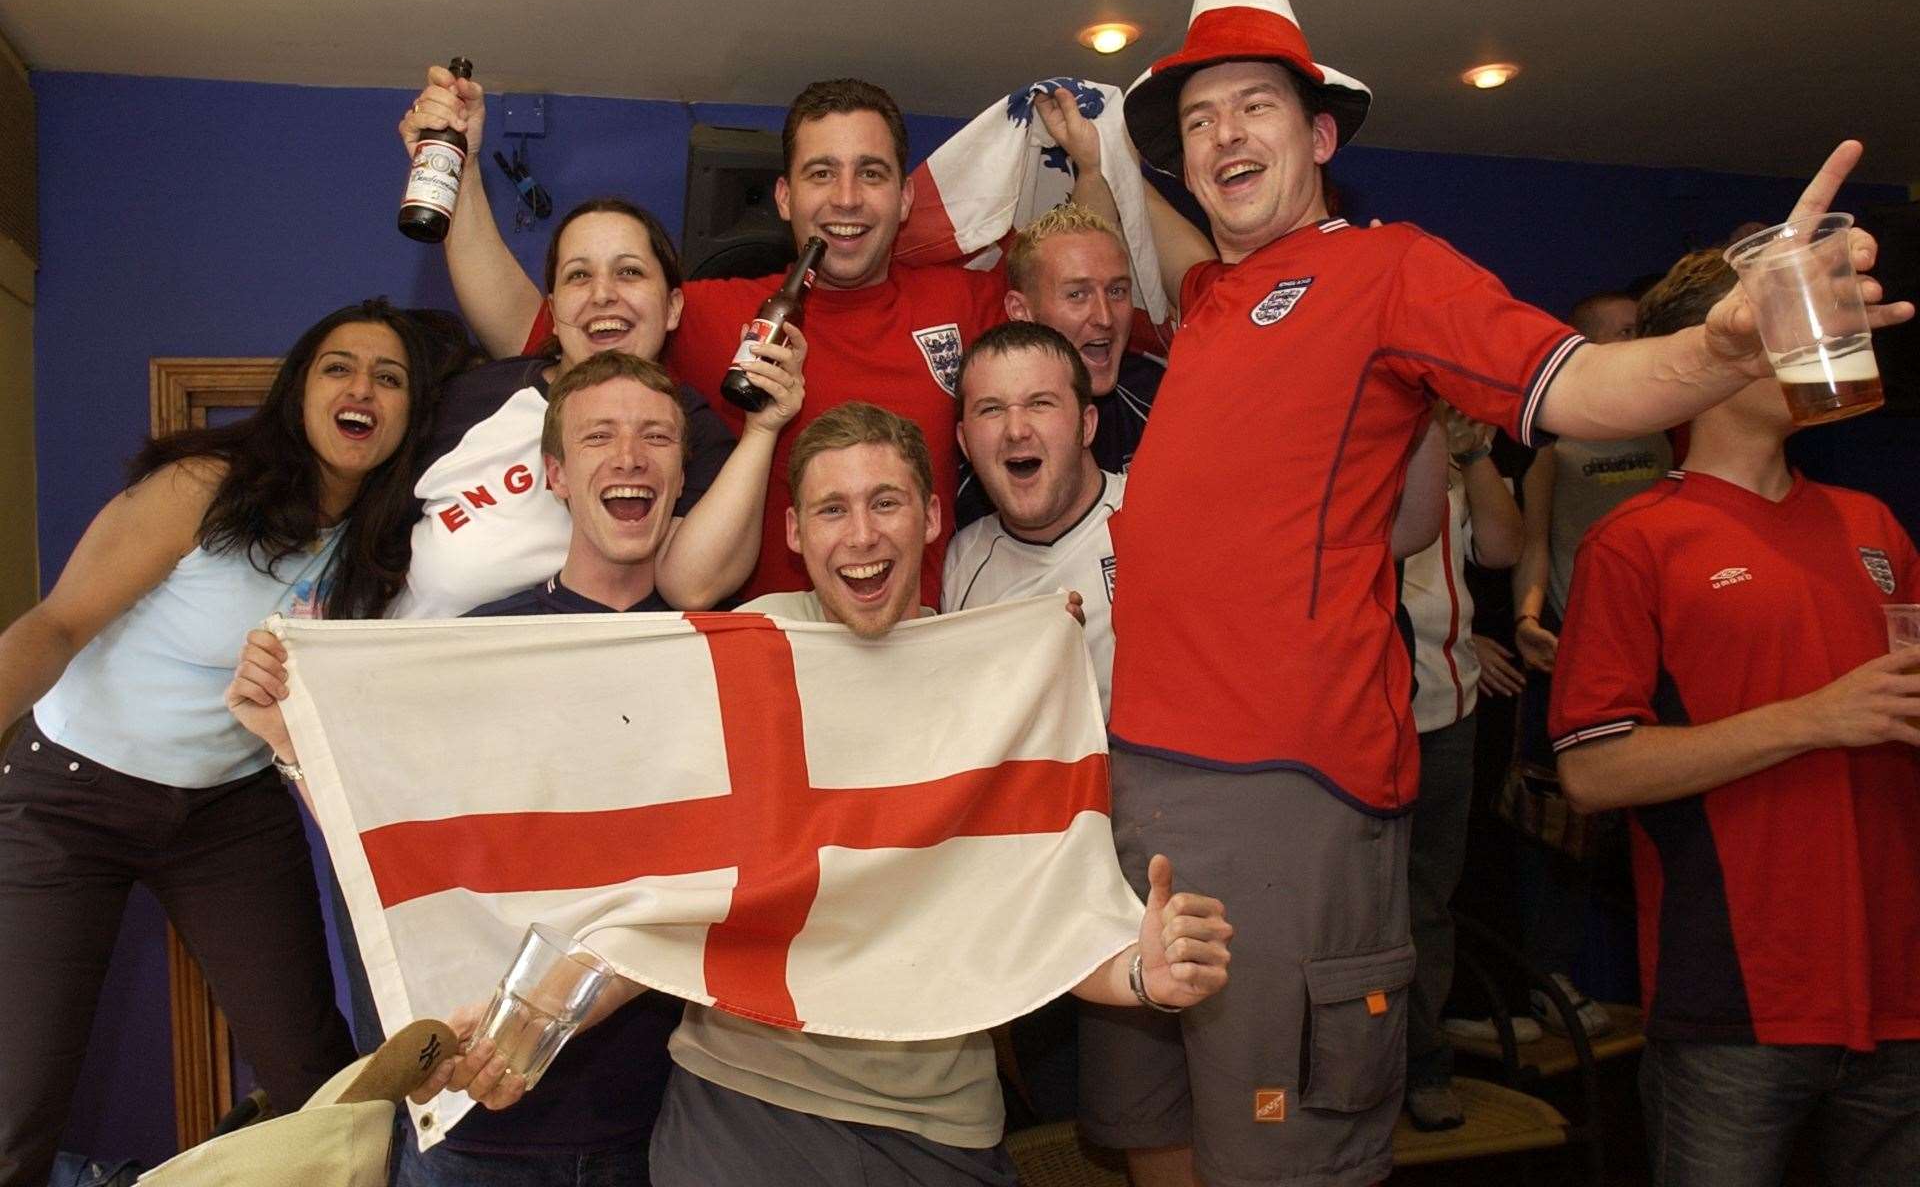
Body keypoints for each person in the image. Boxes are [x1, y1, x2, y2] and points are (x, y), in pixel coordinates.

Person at [1077, 0, 1911, 1186]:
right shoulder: (1215, 296)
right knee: (1151, 1123)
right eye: (1195, 120)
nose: (1223, 133)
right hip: (1138, 784)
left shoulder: (1389, 269)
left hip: (1286, 802)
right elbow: (1173, 231)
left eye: (1254, 105)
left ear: (1319, 130)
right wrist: (1101, 165)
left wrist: (1719, 343)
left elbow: (1578, 387)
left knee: (1279, 1153)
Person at [402, 403, 1234, 1187]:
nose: (862, 536)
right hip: (744, 1108)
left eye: (886, 503)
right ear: (795, 532)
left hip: (936, 1125)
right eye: (832, 510)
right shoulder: (752, 654)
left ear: (933, 517)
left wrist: (1142, 974)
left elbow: (1040, 916)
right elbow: (650, 899)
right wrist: (523, 1025)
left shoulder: (995, 684)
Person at [232, 352, 708, 1187]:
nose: (630, 455)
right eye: (600, 436)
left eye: (655, 437)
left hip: (661, 1126)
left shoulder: (719, 660)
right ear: (556, 473)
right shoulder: (470, 648)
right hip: (472, 1125)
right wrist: (291, 744)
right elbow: (395, 844)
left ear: (680, 472)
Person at [0, 300, 445, 1187]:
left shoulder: (390, 542)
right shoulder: (204, 486)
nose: (362, 389)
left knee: (320, 1079)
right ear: (299, 391)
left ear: (409, 415)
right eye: (338, 367)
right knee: (20, 1098)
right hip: (69, 797)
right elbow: (53, 625)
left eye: (389, 378)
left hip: (226, 813)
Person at [401, 73, 1115, 604]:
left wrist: (1090, 168)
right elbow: (537, 327)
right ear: (783, 199)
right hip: (751, 650)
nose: (843, 198)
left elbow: (1087, 285)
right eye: (819, 174)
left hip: (910, 645)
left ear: (903, 200)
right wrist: (457, 166)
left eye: (869, 174)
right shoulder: (711, 313)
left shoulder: (965, 300)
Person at [1550, 251, 1920, 1187]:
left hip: (1901, 993)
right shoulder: (1637, 543)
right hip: (1734, 1005)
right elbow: (1595, 773)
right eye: (1787, 318)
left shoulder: (1873, 524)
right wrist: (1815, 717)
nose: (1819, 342)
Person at [390, 196, 803, 619]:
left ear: (673, 307)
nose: (603, 294)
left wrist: (762, 430)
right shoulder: (478, 394)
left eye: (629, 272)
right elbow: (372, 531)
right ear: (552, 311)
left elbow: (693, 585)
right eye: (579, 275)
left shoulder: (692, 431)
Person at [1508, 288, 1674, 1037]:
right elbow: (1533, 541)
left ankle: (1667, 971)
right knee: (1563, 826)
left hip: (1667, 645)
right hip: (1582, 641)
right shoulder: (1556, 446)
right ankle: (1551, 975)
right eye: (1621, 332)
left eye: (1641, 330)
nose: (1634, 339)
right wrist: (1528, 616)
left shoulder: (1673, 427)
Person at [1399, 403, 1524, 1131]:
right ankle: (1353, 1076)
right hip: (1355, 715)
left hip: (1449, 708)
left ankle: (1424, 1065)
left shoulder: (1460, 456)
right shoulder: (1356, 441)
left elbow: (1503, 549)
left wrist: (1474, 455)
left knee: (1426, 904)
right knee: (1353, 908)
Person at [943, 322, 1122, 713]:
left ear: (1087, 425)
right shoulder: (960, 564)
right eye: (991, 409)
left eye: (1040, 403)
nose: (1016, 430)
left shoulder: (1151, 516)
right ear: (964, 442)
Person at [951, 205, 1163, 527]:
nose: (1105, 317)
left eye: (1117, 291)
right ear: (1021, 310)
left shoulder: (1163, 399)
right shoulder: (988, 447)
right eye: (1077, 294)